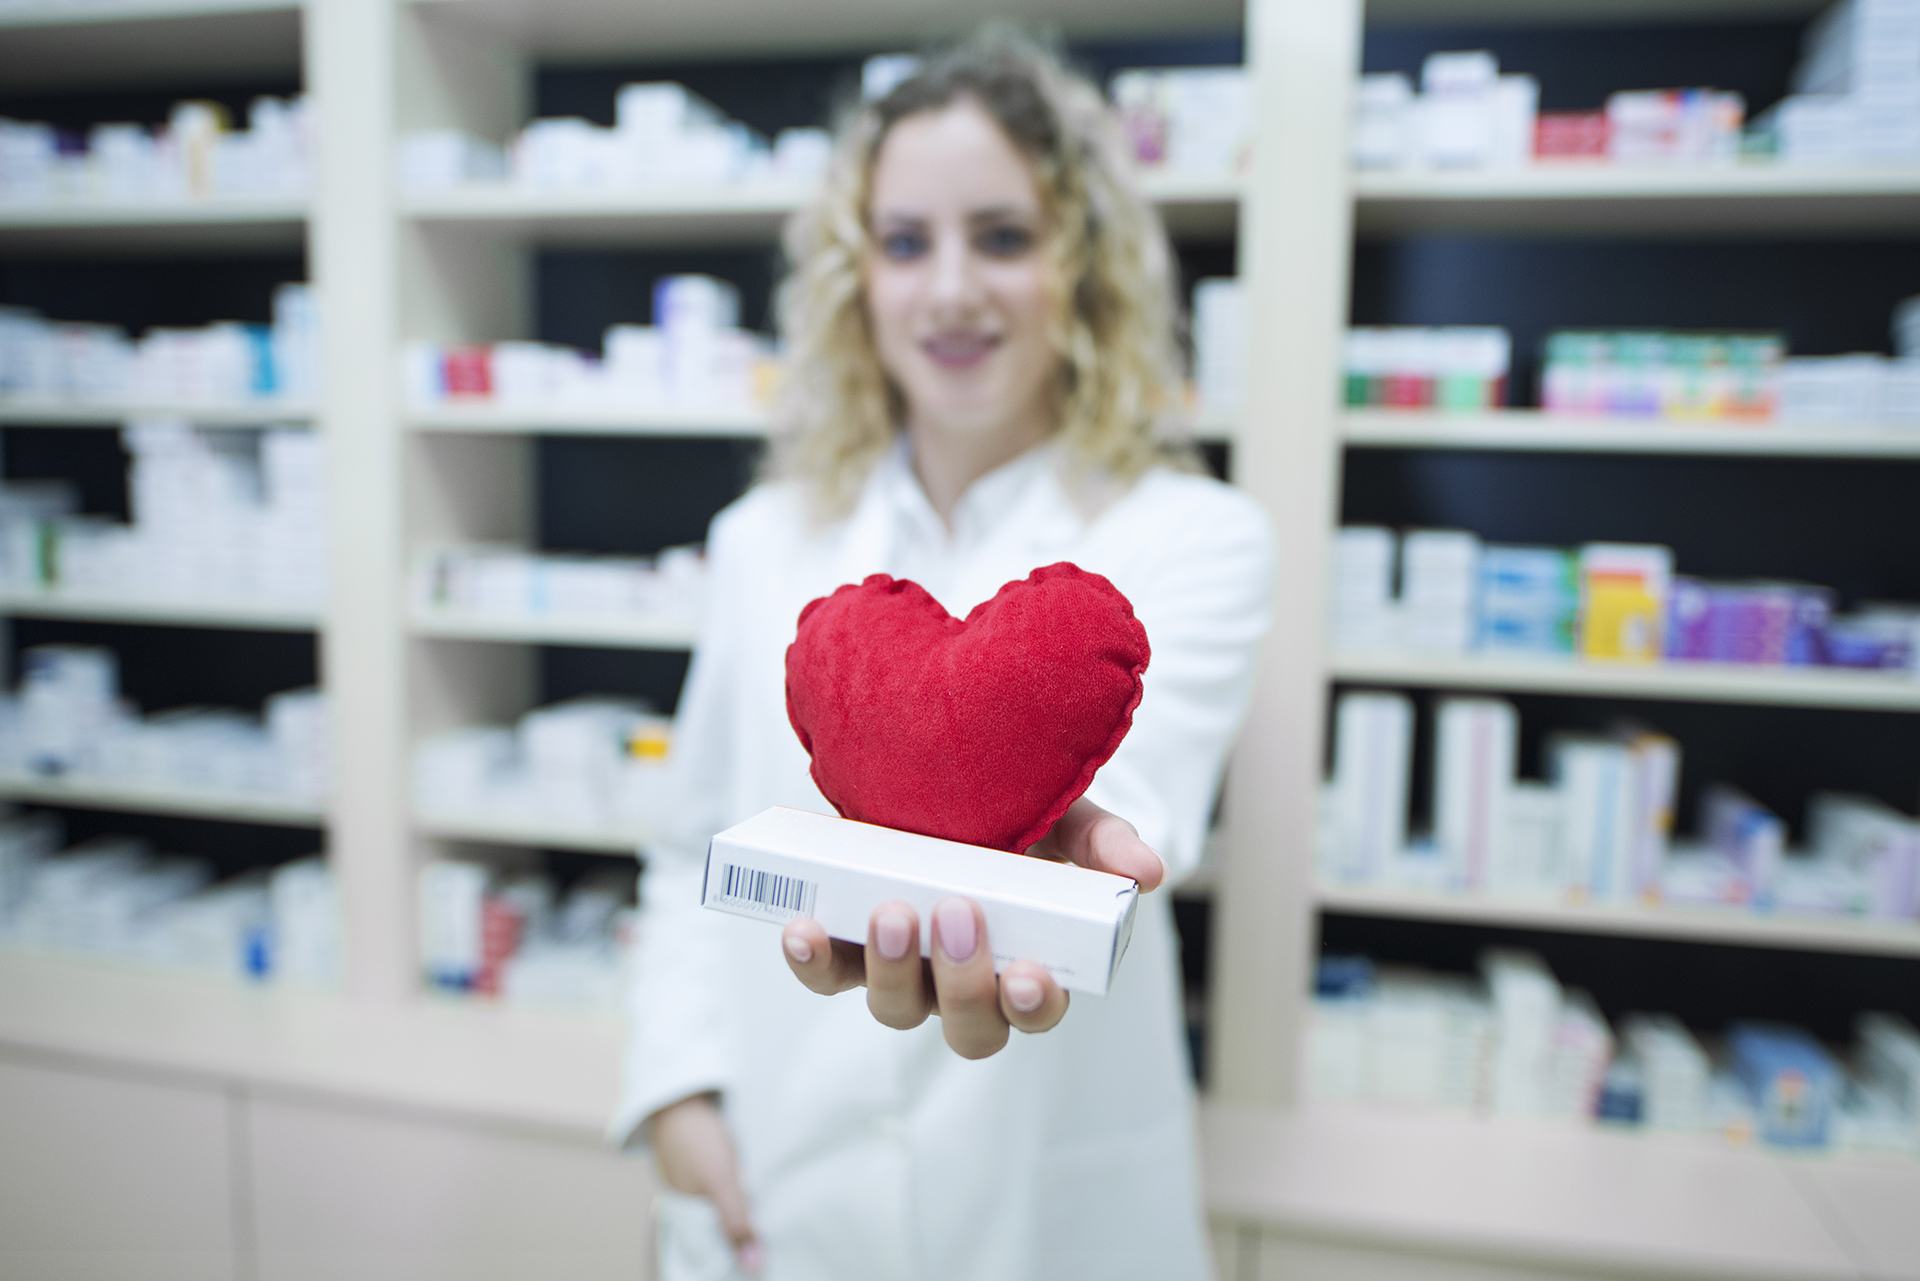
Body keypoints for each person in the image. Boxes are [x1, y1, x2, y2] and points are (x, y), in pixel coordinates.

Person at [614, 31, 1275, 1281]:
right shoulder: (765, 540)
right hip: (777, 1181)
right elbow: (685, 838)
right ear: (856, 276)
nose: (952, 289)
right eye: (907, 242)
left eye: (1004, 237)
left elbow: (1130, 818)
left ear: (1080, 264)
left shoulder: (1199, 536)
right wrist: (674, 1089)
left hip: (1044, 1209)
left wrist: (1047, 875)